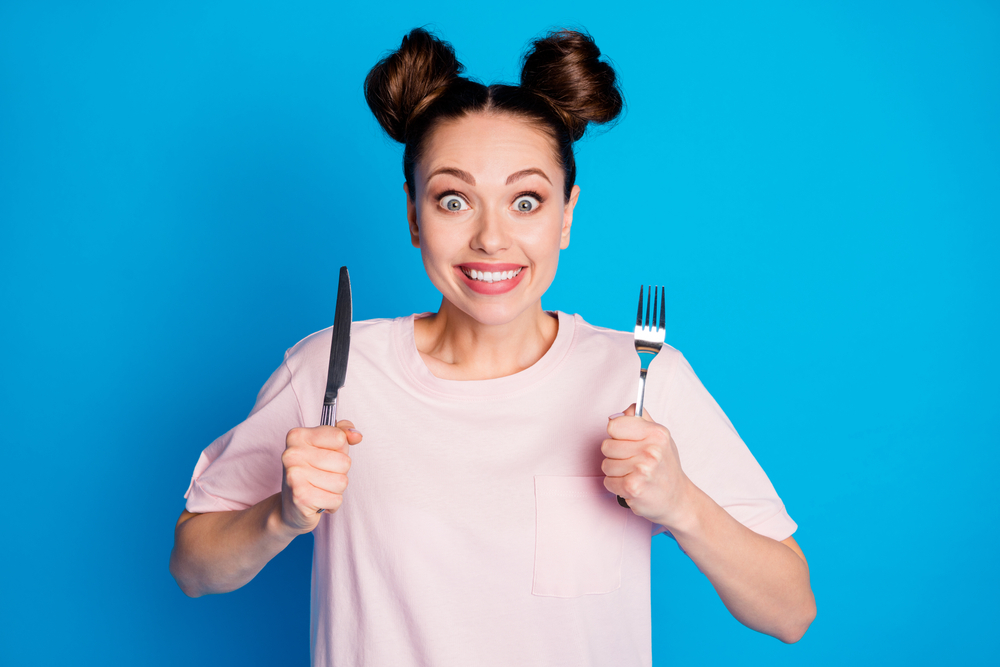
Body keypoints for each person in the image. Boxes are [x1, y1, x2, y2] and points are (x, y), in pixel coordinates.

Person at [170, 27, 816, 666]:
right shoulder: (331, 370)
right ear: (413, 215)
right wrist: (280, 516)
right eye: (454, 200)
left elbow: (790, 612)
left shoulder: (642, 376)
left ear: (566, 215)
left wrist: (682, 503)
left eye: (526, 201)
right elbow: (194, 567)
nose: (491, 238)